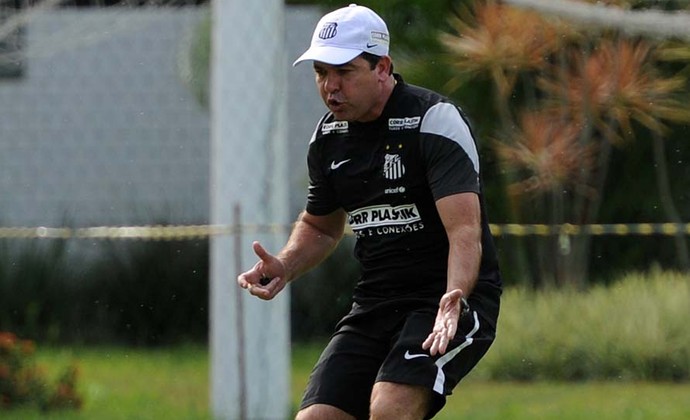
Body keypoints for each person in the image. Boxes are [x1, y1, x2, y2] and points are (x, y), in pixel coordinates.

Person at [237, 4, 502, 419]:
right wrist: (285, 265)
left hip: (447, 300)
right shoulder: (328, 139)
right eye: (321, 73)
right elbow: (321, 227)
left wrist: (454, 298)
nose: (330, 87)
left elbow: (464, 232)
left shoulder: (433, 122)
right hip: (376, 302)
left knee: (390, 409)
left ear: (383, 67)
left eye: (344, 71)